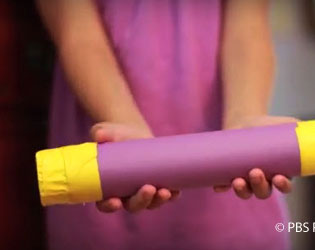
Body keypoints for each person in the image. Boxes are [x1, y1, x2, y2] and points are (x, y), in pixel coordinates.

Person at [37, 0, 296, 249]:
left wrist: (244, 118)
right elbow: (79, 36)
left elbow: (248, 29)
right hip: (107, 165)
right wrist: (124, 124)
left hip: (233, 212)